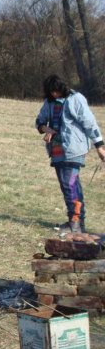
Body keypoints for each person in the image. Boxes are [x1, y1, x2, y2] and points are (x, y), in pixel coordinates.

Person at [35, 74, 105, 234]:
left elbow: (90, 123)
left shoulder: (76, 99)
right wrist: (47, 130)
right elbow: (39, 122)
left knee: (70, 185)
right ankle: (76, 222)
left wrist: (100, 146)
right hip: (56, 152)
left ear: (62, 88)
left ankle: (76, 223)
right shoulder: (49, 103)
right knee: (67, 186)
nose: (54, 94)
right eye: (51, 92)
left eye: (56, 91)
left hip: (74, 150)